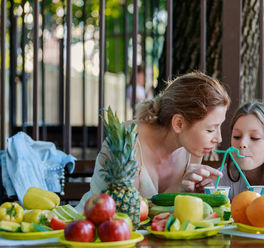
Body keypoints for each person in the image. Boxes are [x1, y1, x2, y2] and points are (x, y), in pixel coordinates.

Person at [76, 72, 231, 212]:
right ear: (179, 124)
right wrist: (179, 195)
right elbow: (127, 213)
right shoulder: (129, 138)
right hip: (91, 229)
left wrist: (192, 194)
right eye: (211, 129)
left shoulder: (192, 149)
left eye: (220, 126)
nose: (219, 138)